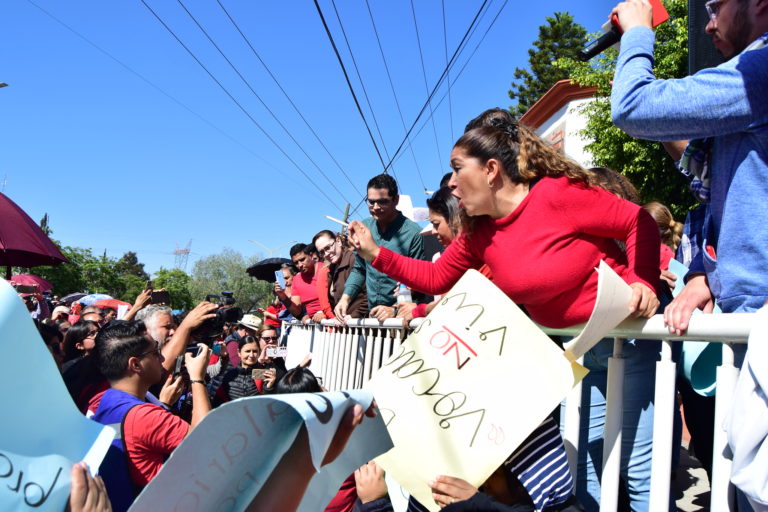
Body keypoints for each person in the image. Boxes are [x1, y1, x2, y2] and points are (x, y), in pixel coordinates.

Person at [348, 111, 660, 511]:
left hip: (626, 340)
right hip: (571, 356)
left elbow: (638, 222)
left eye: (458, 170)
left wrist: (643, 281)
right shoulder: (479, 230)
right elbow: (436, 277)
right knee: (586, 466)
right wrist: (374, 254)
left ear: (492, 170)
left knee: (637, 468)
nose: (453, 185)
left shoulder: (557, 194)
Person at [610, 1, 768, 507]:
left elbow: (633, 105)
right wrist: (704, 272)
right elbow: (725, 194)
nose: (708, 23)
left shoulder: (759, 69)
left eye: (717, 6)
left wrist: (637, 30)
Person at [91, 321, 212, 511]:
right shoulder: (144, 416)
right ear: (136, 364)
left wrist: (163, 405)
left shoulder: (101, 401)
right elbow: (208, 440)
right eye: (155, 353)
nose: (163, 358)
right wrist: (198, 377)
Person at [335, 173, 430, 322]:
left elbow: (420, 280)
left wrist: (394, 309)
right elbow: (360, 268)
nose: (376, 207)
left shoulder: (413, 233)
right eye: (371, 202)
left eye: (382, 202)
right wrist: (345, 298)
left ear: (396, 200)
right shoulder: (364, 228)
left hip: (402, 320)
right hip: (373, 318)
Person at [313, 230, 369, 320]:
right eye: (322, 252)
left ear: (338, 241)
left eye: (328, 248)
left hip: (364, 326)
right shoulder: (332, 268)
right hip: (348, 329)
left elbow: (371, 293)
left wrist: (355, 315)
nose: (326, 254)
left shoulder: (355, 260)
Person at [209, 335, 265, 405]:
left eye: (255, 351)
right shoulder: (230, 375)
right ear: (239, 352)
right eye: (247, 351)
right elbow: (219, 402)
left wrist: (269, 388)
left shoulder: (263, 373)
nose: (251, 355)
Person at [276, 243, 323, 324]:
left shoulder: (325, 269)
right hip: (314, 326)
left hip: (332, 322)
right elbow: (297, 311)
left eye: (302, 259)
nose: (300, 265)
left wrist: (323, 312)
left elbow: (337, 297)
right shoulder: (297, 279)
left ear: (311, 256)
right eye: (296, 262)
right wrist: (283, 296)